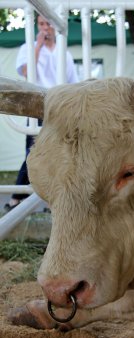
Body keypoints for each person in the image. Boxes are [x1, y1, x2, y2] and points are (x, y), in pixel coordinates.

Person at [4, 14, 78, 212]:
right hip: (36, 105)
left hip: (59, 106)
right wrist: (37, 45)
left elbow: (73, 81)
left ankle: (49, 201)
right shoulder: (27, 48)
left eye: (49, 24)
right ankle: (17, 196)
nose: (46, 28)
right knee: (34, 152)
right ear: (37, 25)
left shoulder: (65, 53)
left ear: (55, 26)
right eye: (42, 24)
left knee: (59, 151)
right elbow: (27, 72)